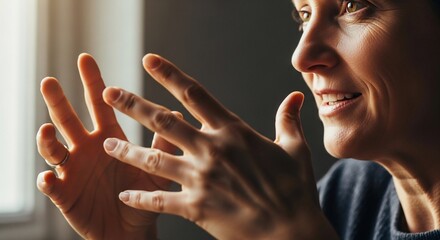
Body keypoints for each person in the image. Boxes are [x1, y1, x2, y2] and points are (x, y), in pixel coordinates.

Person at [36, 0, 440, 239]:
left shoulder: (307, 213)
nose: (301, 54)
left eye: (353, 6)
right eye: (303, 14)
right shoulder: (343, 196)